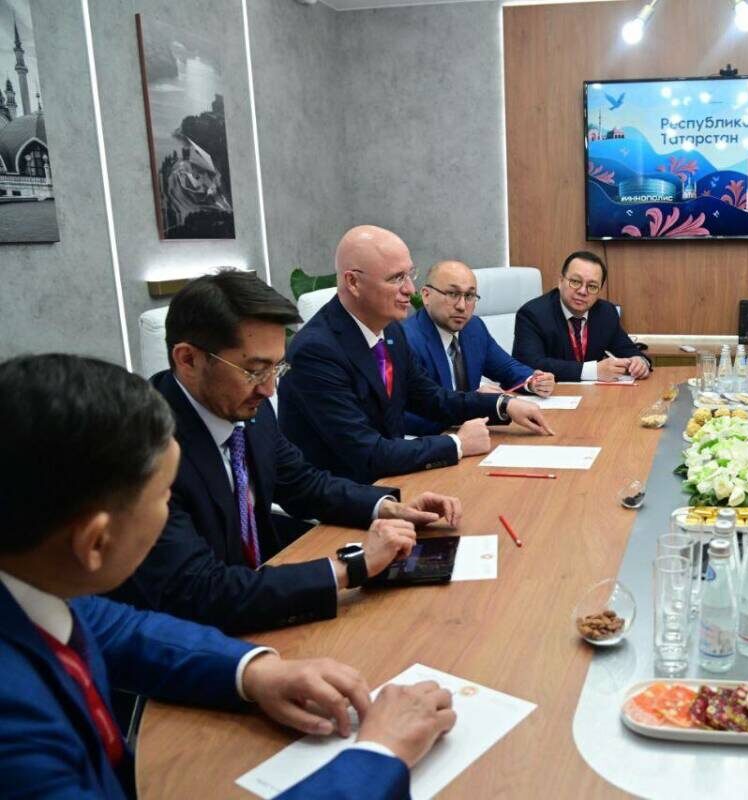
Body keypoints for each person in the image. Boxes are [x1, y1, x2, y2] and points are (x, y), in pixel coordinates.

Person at [0, 353, 454, 799]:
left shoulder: (33, 579)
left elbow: (117, 628)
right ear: (94, 543)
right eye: (163, 498)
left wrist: (253, 671)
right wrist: (378, 755)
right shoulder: (17, 736)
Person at [108, 271, 462, 634]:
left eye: (276, 367)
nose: (269, 389)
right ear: (188, 359)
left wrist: (389, 507)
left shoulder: (247, 407)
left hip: (263, 600)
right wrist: (353, 566)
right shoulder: (142, 449)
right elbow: (200, 591)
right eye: (254, 371)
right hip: (188, 636)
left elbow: (302, 483)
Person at [280, 226, 553, 482]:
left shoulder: (390, 332)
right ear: (353, 282)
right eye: (396, 278)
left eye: (410, 275)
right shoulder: (315, 351)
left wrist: (503, 405)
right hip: (346, 494)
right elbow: (366, 452)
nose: (410, 290)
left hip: (392, 478)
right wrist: (457, 444)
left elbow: (433, 399)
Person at [402, 260, 555, 435]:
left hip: (476, 435)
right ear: (426, 295)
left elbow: (507, 368)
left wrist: (533, 381)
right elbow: (410, 414)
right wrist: (479, 402)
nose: (461, 306)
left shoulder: (474, 327)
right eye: (452, 294)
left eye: (469, 296)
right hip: (435, 439)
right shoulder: (406, 339)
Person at [512, 250, 651, 382]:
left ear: (599, 291)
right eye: (575, 282)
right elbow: (528, 364)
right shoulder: (533, 314)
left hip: (592, 395)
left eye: (592, 286)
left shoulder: (606, 312)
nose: (583, 291)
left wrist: (639, 362)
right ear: (560, 281)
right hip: (550, 394)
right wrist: (593, 371)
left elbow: (628, 350)